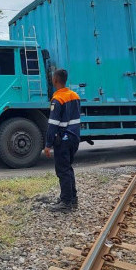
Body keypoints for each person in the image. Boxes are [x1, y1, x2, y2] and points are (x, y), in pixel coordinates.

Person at [43, 68, 81, 212]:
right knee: (68, 168)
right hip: (74, 138)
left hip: (63, 140)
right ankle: (72, 198)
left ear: (55, 80)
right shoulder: (74, 95)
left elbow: (53, 124)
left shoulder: (57, 99)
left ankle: (66, 203)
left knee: (63, 170)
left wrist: (48, 144)